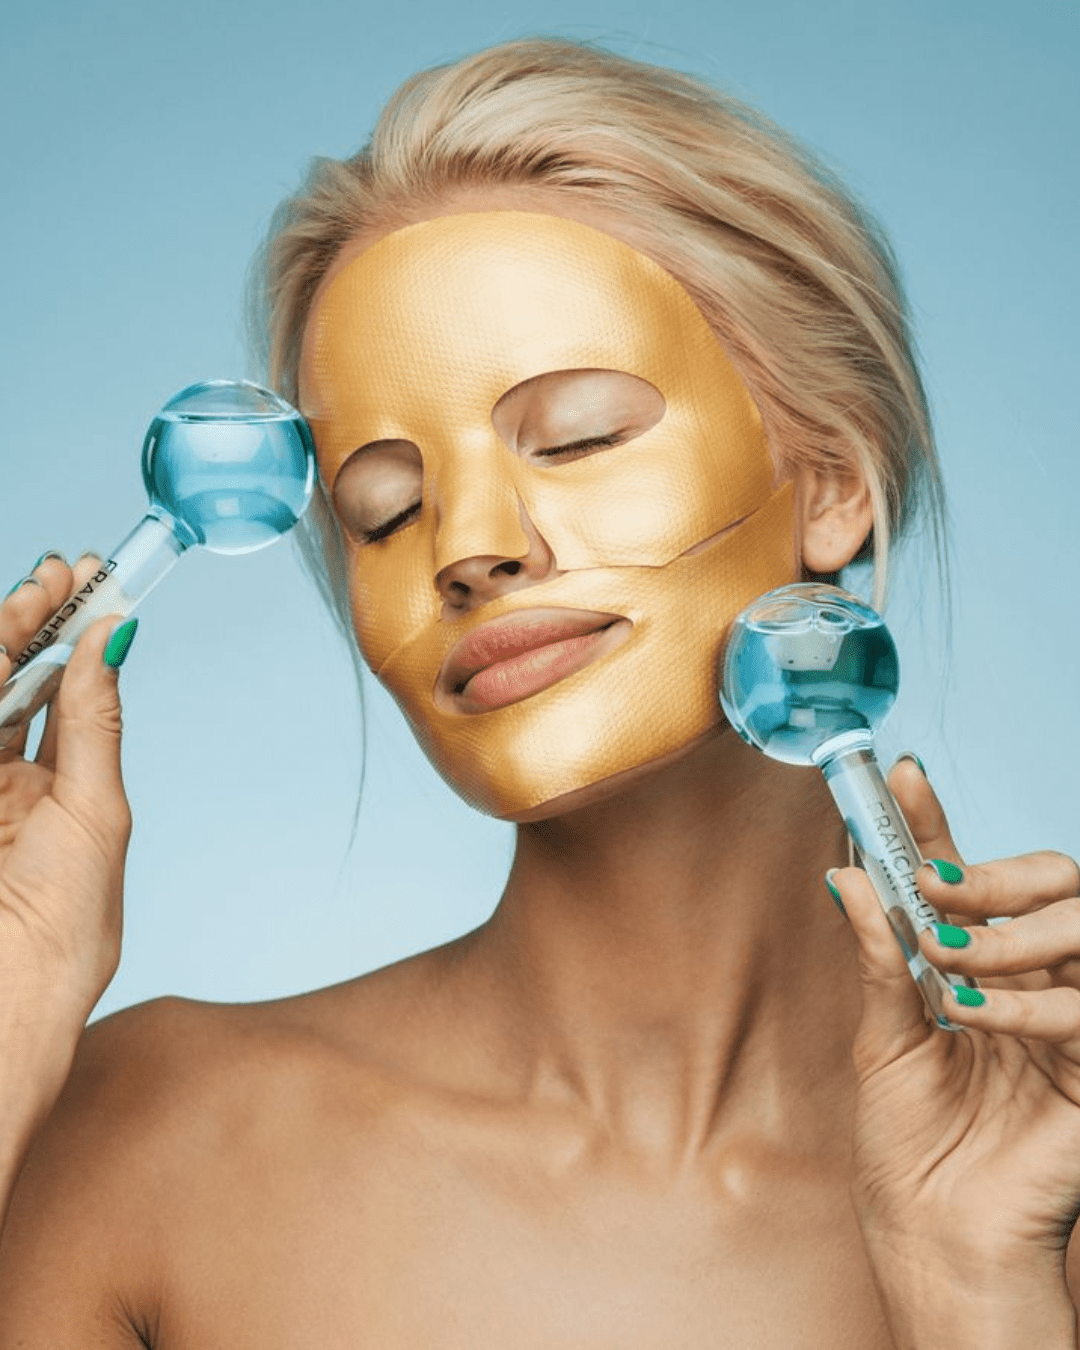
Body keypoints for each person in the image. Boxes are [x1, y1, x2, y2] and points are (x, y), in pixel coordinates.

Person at [0, 36, 1078, 1347]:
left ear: (836, 482)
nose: (467, 545)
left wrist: (983, 1290)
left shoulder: (1044, 1177)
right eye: (384, 511)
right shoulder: (148, 1143)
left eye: (575, 437)